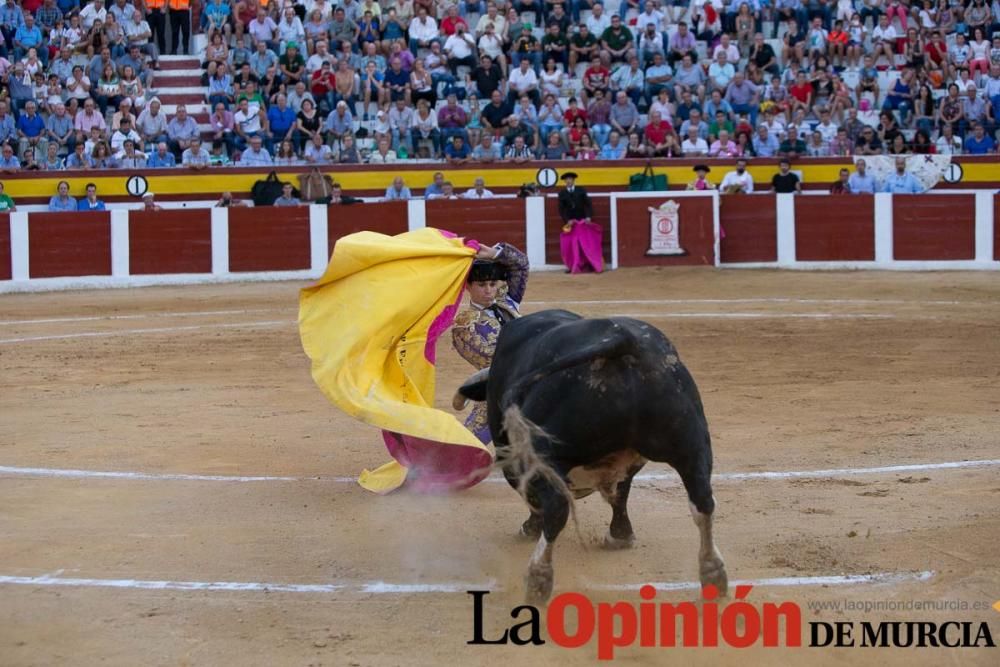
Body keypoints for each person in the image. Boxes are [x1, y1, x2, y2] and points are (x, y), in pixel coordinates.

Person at [451, 242, 529, 444]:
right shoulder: (464, 324)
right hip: (498, 390)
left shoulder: (505, 302)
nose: (488, 291)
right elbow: (494, 356)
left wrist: (495, 254)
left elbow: (520, 265)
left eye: (493, 284)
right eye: (481, 285)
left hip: (528, 380)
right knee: (467, 450)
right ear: (468, 286)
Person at [558, 171, 602, 274]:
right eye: (566, 180)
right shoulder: (562, 193)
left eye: (570, 179)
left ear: (573, 181)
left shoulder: (581, 190)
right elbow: (561, 209)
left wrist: (588, 217)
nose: (568, 181)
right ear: (565, 181)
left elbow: (588, 204)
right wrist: (567, 221)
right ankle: (573, 265)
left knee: (586, 244)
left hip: (582, 222)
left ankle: (589, 264)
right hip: (571, 223)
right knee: (571, 245)